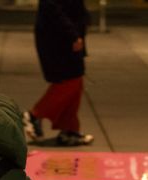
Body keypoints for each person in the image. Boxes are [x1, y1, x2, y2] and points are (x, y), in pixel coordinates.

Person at [22, 0, 94, 147]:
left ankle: (69, 130)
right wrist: (72, 34)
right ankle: (34, 115)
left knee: (76, 80)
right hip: (59, 37)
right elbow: (52, 8)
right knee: (69, 80)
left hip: (67, 34)